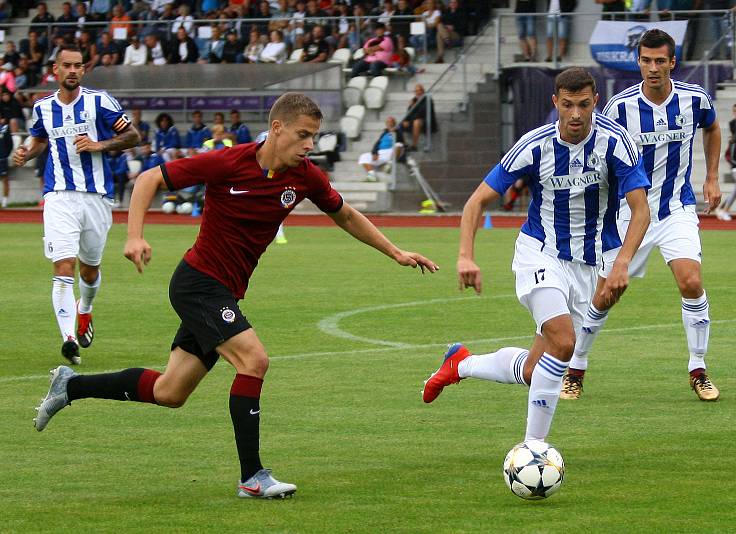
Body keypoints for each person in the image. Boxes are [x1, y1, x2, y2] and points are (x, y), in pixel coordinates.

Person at [33, 92, 438, 499]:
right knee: (254, 360)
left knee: (170, 392)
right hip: (197, 284)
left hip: (223, 292)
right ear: (277, 128)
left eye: (314, 137)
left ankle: (71, 386)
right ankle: (253, 477)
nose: (310, 145)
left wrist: (396, 252)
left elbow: (345, 214)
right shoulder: (229, 161)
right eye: (303, 135)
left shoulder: (306, 176)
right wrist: (135, 236)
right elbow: (148, 179)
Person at [421, 68, 650, 452]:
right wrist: (465, 255)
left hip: (587, 263)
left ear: (595, 101)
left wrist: (623, 262)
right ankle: (534, 450)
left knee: (535, 369)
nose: (575, 114)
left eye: (583, 104)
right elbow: (477, 201)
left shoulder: (616, 143)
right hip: (538, 252)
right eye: (567, 104)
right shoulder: (534, 145)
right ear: (555, 103)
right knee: (564, 341)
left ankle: (460, 364)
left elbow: (640, 210)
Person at [563, 29, 723, 402]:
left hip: (675, 209)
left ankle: (698, 368)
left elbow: (713, 128)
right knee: (605, 295)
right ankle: (576, 368)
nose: (652, 68)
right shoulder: (619, 108)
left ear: (672, 63)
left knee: (690, 281)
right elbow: (598, 150)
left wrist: (712, 177)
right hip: (628, 214)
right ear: (639, 63)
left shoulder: (694, 99)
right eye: (646, 61)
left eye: (659, 61)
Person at [12, 44, 141, 364]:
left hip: (96, 196)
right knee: (63, 267)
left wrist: (100, 144)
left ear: (83, 70)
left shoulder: (100, 101)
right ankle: (69, 338)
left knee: (90, 268)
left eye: (78, 66)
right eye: (66, 65)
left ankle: (85, 310)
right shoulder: (42, 107)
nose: (72, 70)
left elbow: (133, 136)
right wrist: (28, 151)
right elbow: (41, 139)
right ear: (55, 70)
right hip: (58, 196)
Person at [358, 116, 404, 181]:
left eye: (391, 122)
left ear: (394, 123)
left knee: (399, 144)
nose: (389, 123)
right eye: (387, 122)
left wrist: (395, 131)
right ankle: (371, 175)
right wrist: (375, 153)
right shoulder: (384, 133)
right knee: (363, 156)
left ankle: (390, 164)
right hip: (380, 153)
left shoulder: (398, 131)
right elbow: (376, 144)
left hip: (391, 152)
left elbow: (401, 141)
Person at [401, 84, 437, 152]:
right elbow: (409, 112)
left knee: (416, 122)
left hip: (427, 121)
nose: (418, 92)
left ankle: (414, 146)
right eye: (416, 91)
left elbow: (422, 112)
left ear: (423, 91)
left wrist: (413, 105)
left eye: (419, 90)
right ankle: (404, 144)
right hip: (415, 120)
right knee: (400, 124)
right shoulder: (414, 99)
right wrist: (406, 120)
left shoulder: (428, 99)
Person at [0, 116, 10, 208]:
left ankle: (5, 201)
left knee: (5, 179)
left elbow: (9, 143)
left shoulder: (5, 128)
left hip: (2, 159)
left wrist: (4, 155)